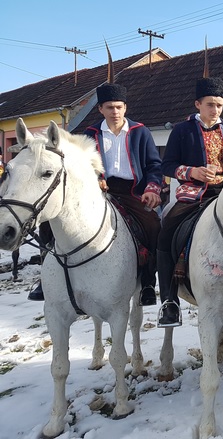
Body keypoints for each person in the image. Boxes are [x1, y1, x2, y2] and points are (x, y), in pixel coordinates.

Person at [157, 77, 223, 327]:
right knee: (166, 230)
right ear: (198, 104)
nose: (215, 110)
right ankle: (169, 301)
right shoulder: (182, 130)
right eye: (210, 104)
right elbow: (167, 165)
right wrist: (193, 172)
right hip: (193, 195)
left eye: (220, 105)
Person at [83, 82, 163, 306]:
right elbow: (83, 163)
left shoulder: (140, 131)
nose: (115, 112)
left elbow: (154, 165)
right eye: (109, 107)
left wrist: (152, 189)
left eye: (119, 107)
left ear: (125, 107)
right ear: (100, 109)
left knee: (153, 226)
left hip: (133, 191)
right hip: (99, 189)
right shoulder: (91, 133)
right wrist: (96, 179)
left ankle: (148, 281)